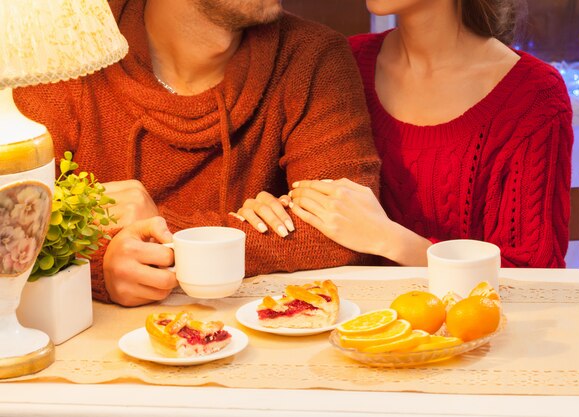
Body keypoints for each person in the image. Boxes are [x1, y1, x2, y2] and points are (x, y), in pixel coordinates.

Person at [15, 0, 380, 306]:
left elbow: (343, 230)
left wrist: (161, 232)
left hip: (251, 350)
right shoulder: (70, 47)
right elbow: (15, 225)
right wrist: (100, 268)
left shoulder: (311, 55)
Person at [244, 0, 574, 268]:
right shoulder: (343, 63)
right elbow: (314, 208)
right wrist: (271, 207)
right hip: (353, 328)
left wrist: (389, 239)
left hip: (470, 336)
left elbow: (535, 277)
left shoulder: (534, 96)